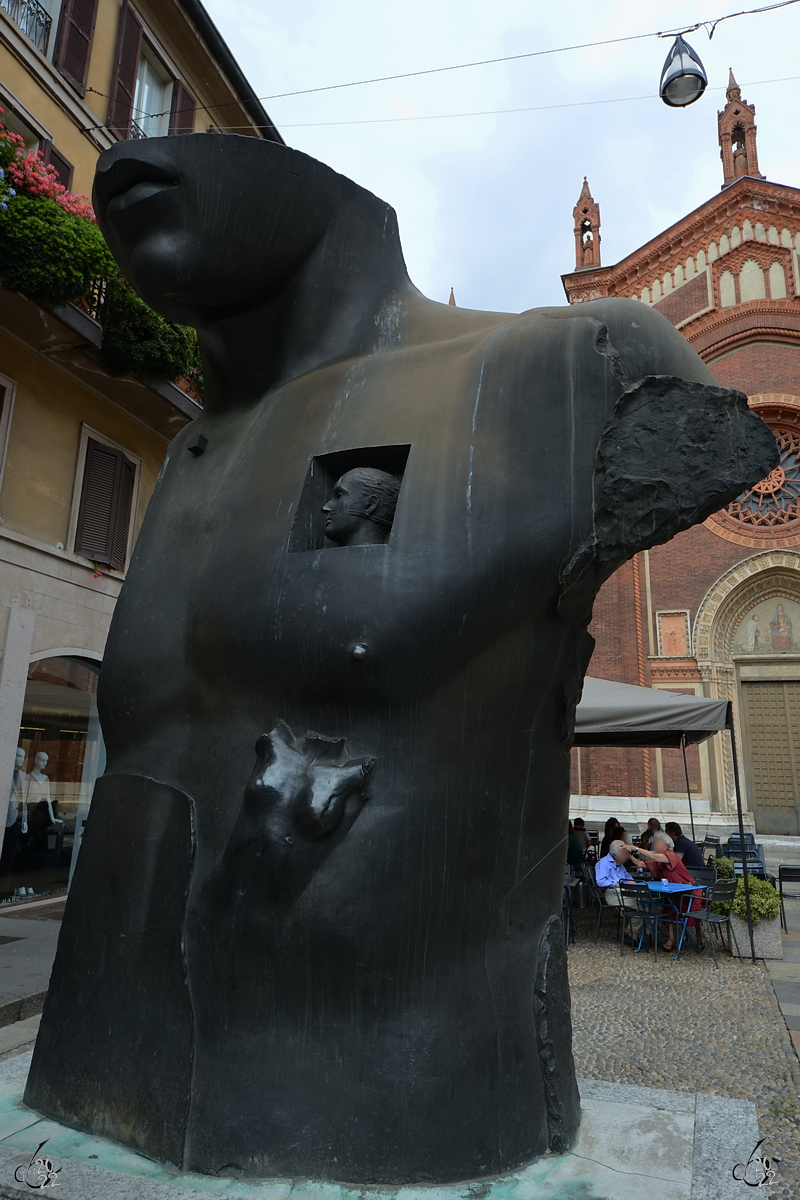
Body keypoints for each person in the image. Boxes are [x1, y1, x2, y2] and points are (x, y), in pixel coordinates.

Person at [625, 831, 702, 952]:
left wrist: (635, 848)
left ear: (665, 845)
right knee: (669, 907)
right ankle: (670, 940)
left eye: (657, 842)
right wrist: (627, 853)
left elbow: (653, 856)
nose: (653, 844)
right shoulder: (659, 859)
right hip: (674, 893)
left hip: (688, 892)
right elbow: (639, 863)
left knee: (677, 908)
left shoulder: (670, 855)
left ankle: (698, 939)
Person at [594, 839, 642, 942]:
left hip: (625, 891)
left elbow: (628, 877)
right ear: (616, 855)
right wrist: (617, 884)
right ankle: (633, 934)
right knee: (643, 905)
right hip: (612, 892)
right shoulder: (604, 863)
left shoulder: (620, 864)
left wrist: (630, 883)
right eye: (625, 854)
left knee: (649, 903)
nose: (627, 857)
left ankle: (632, 931)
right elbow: (600, 881)